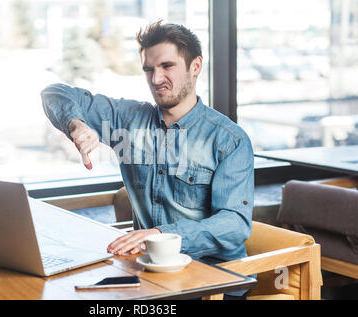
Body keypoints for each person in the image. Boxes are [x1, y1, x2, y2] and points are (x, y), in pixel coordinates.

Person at [41, 21, 254, 298]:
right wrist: (76, 124)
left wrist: (158, 235)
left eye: (167, 66)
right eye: (148, 69)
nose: (156, 79)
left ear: (195, 67)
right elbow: (55, 93)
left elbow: (235, 224)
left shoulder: (230, 140)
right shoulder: (126, 121)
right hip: (147, 276)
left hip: (214, 283)